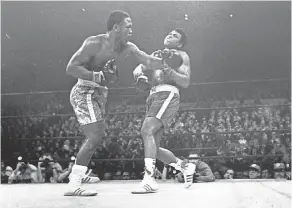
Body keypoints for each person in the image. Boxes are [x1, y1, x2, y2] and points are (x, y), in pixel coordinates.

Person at [65, 10, 171, 196]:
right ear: (116, 27)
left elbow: (147, 60)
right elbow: (71, 67)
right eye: (128, 26)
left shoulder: (127, 47)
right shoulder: (94, 43)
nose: (131, 29)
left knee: (95, 135)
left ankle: (79, 171)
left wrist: (167, 61)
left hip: (99, 92)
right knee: (95, 136)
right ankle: (74, 183)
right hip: (84, 91)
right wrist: (95, 75)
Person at [131, 29, 196, 194]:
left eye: (175, 36)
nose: (169, 35)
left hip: (168, 93)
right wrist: (140, 76)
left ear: (180, 43)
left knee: (146, 130)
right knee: (155, 147)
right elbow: (138, 68)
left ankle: (149, 179)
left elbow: (186, 81)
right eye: (169, 33)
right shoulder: (156, 54)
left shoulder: (182, 55)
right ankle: (185, 167)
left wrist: (171, 72)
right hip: (152, 95)